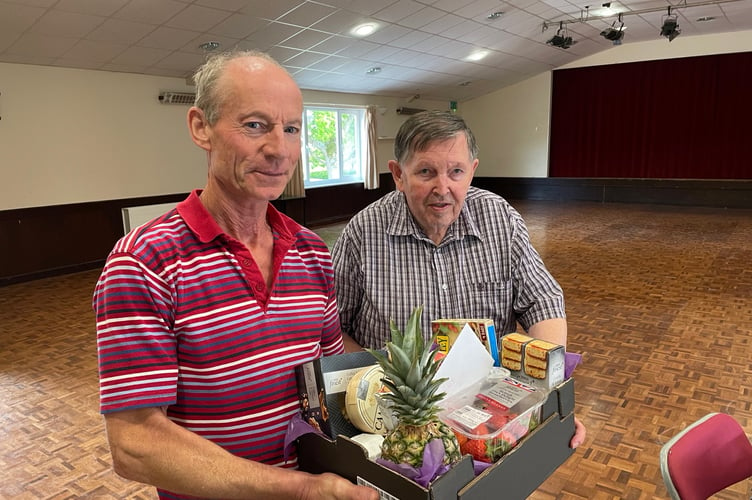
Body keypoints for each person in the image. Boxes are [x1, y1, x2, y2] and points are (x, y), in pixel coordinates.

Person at [93, 50, 377, 500]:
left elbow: (328, 386)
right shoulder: (145, 262)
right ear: (200, 127)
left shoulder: (313, 252)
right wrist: (299, 490)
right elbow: (135, 444)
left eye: (291, 129)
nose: (279, 149)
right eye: (254, 125)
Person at [332, 110, 586, 449]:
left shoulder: (499, 218)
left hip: (490, 418)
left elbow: (543, 303)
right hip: (398, 423)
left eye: (456, 172)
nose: (443, 188)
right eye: (425, 172)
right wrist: (372, 386)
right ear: (398, 174)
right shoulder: (363, 233)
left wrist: (548, 397)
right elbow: (331, 327)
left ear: (472, 171)